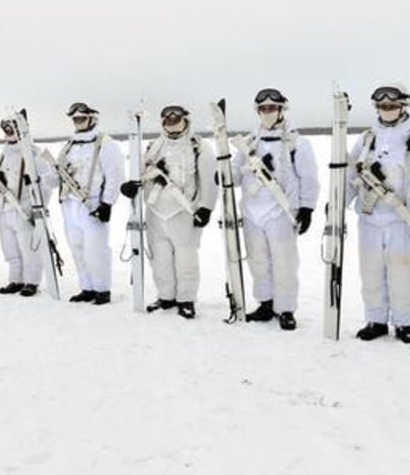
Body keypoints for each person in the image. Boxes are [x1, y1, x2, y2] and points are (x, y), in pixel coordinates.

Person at [347, 83, 410, 345]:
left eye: (392, 103)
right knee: (371, 271)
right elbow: (351, 175)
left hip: (403, 220)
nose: (387, 108)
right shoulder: (367, 139)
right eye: (382, 104)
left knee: (404, 273)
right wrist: (338, 202)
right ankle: (375, 319)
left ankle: (404, 323)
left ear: (403, 105)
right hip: (370, 218)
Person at [232, 89, 319, 330]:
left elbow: (309, 178)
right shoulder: (249, 143)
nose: (267, 112)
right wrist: (222, 174)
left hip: (281, 212)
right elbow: (235, 173)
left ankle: (286, 308)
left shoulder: (297, 144)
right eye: (263, 109)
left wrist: (307, 207)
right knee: (258, 261)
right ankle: (265, 303)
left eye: (272, 108)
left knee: (285, 263)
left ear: (282, 110)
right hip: (252, 213)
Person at [120, 105, 216, 318]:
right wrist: (130, 186)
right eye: (167, 119)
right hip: (155, 211)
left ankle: (186, 298)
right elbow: (141, 172)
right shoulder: (154, 146)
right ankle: (166, 296)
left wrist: (206, 207)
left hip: (183, 212)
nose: (172, 121)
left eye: (176, 118)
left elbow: (209, 180)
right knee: (159, 257)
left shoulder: (198, 146)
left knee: (186, 257)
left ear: (186, 120)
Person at [56, 102, 124, 304]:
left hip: (92, 203)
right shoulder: (69, 145)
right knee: (77, 247)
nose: (78, 122)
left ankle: (102, 289)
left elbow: (115, 175)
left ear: (93, 119)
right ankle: (87, 287)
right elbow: (59, 171)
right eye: (75, 119)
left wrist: (107, 203)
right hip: (70, 203)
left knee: (96, 249)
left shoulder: (105, 143)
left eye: (82, 118)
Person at [0, 117, 59, 296]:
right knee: (10, 249)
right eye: (6, 130)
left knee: (29, 249)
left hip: (24, 209)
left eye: (12, 129)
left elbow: (48, 184)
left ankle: (32, 282)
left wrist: (39, 209)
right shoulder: (3, 155)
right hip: (5, 209)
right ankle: (15, 279)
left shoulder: (34, 154)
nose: (9, 132)